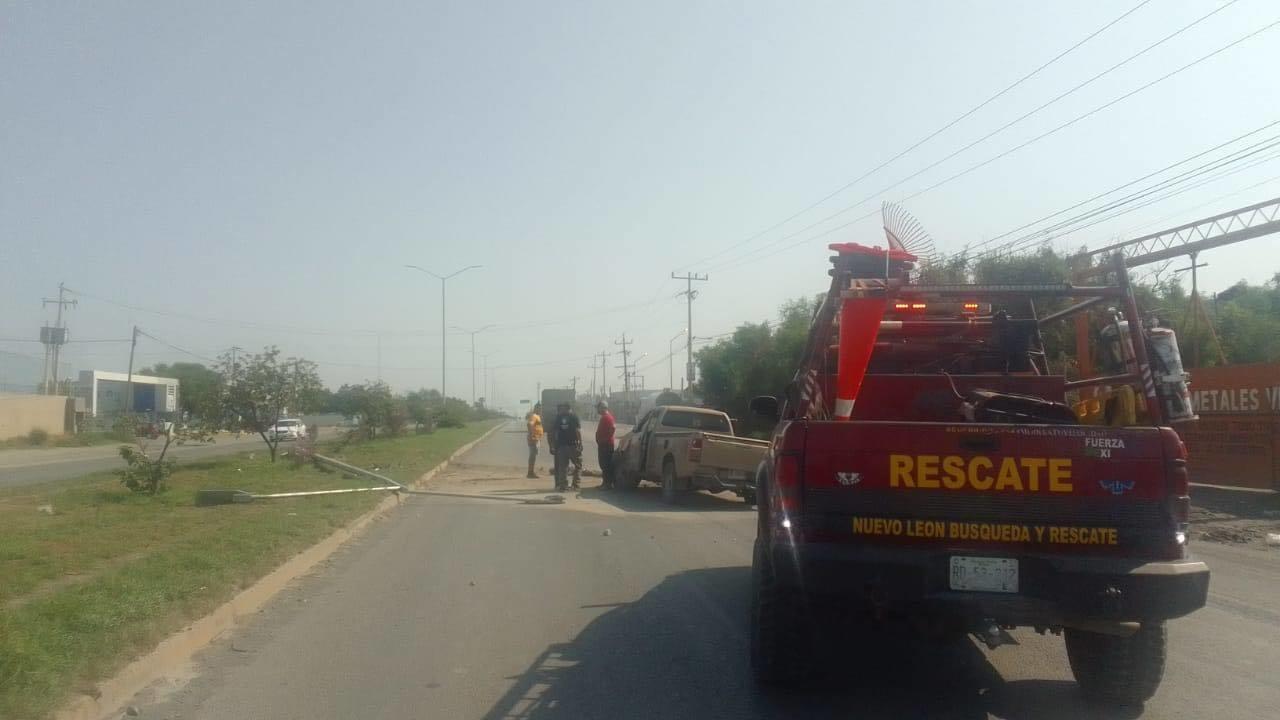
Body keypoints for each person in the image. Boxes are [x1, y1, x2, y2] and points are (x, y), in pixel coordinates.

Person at [549, 401, 582, 491]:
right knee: (578, 465)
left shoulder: (559, 417)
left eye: (563, 408)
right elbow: (577, 431)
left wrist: (554, 444)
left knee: (563, 467)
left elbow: (555, 432)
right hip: (572, 445)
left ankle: (563, 486)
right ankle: (575, 485)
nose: (562, 410)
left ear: (567, 408)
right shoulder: (574, 417)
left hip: (561, 446)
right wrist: (580, 443)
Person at [595, 399, 616, 489]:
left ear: (603, 408)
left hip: (606, 445)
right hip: (603, 444)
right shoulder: (604, 417)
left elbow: (613, 428)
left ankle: (608, 484)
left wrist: (605, 440)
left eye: (598, 408)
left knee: (606, 465)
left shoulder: (607, 417)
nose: (597, 410)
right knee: (603, 464)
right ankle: (605, 483)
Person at [525, 403, 544, 479]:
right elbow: (529, 424)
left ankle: (531, 472)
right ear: (536, 408)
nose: (540, 410)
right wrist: (532, 435)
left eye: (541, 409)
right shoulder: (534, 416)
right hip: (534, 439)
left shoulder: (537, 416)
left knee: (533, 455)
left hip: (536, 438)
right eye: (539, 408)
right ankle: (530, 472)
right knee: (532, 456)